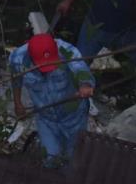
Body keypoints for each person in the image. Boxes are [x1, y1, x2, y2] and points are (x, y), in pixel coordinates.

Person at [10, 33, 94, 168]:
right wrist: (17, 103)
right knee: (50, 157)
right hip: (46, 117)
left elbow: (81, 69)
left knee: (72, 158)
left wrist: (85, 85)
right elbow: (16, 80)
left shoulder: (67, 51)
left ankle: (69, 183)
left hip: (73, 116)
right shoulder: (17, 59)